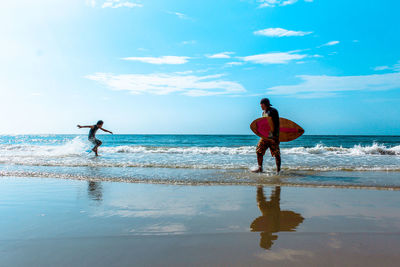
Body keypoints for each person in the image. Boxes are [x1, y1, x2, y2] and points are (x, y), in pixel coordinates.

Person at [252, 98, 281, 174]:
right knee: (259, 151)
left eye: (261, 105)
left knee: (276, 154)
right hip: (265, 136)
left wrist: (276, 137)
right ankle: (260, 168)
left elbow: (277, 125)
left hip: (273, 136)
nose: (260, 106)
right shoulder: (263, 113)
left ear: (263, 104)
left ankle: (278, 171)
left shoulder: (273, 111)